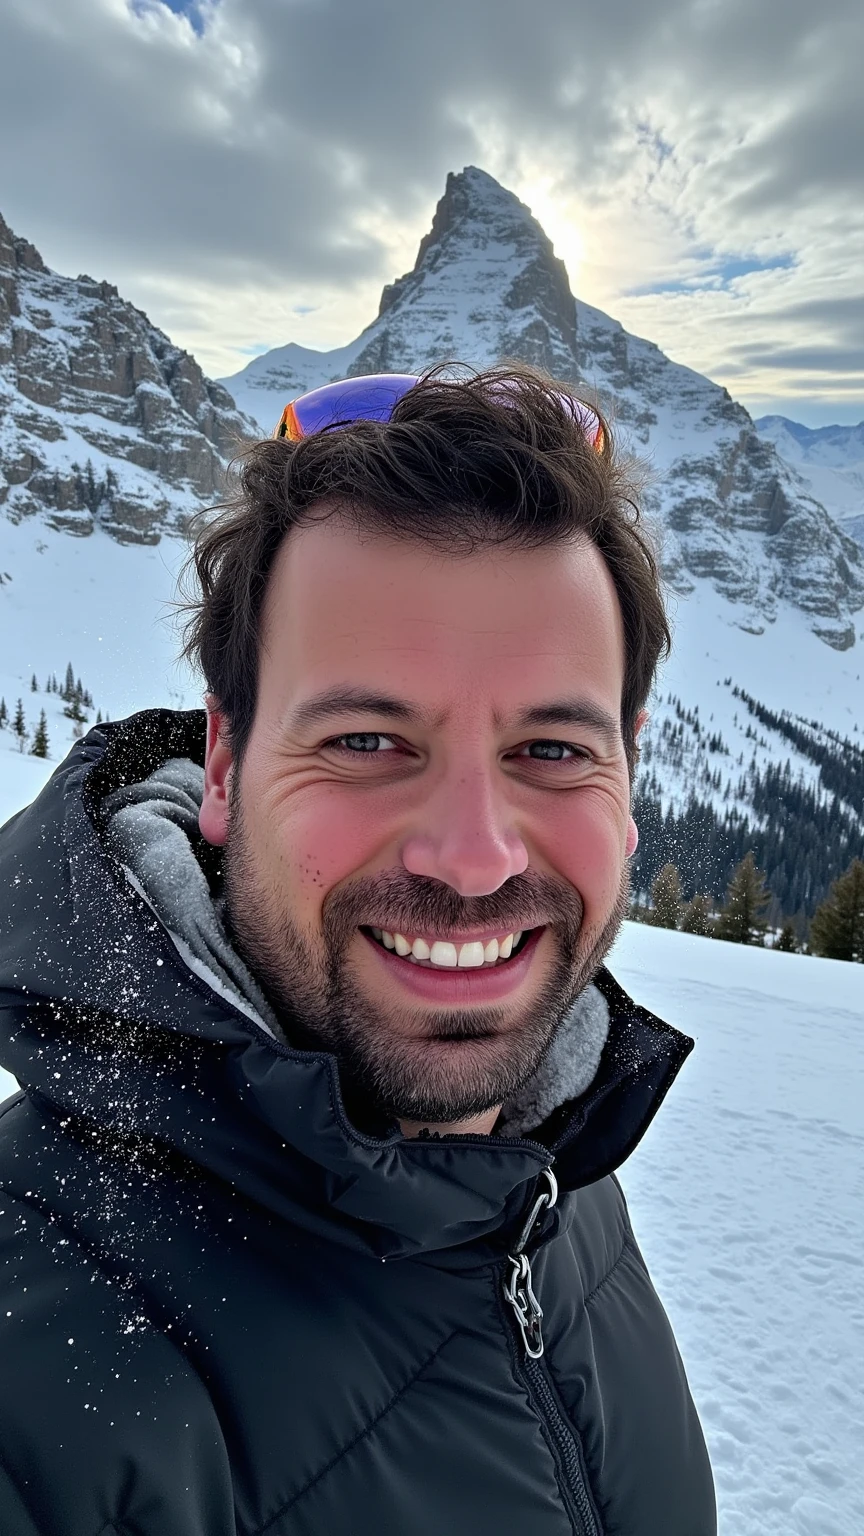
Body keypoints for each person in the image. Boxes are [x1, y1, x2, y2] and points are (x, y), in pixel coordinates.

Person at [0, 366, 716, 1535]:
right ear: (225, 767)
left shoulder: (544, 1173)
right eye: (370, 738)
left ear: (628, 778)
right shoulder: (40, 1396)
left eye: (551, 750)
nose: (474, 859)